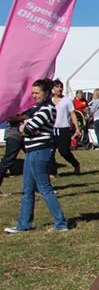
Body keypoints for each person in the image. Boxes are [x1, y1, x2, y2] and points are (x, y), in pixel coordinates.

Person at [4, 79, 69, 233]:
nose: (34, 96)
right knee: (27, 190)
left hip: (40, 151)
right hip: (32, 151)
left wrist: (25, 126)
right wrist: (27, 126)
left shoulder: (47, 109)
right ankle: (23, 224)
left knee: (45, 188)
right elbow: (29, 128)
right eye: (32, 93)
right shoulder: (38, 109)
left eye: (36, 93)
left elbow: (27, 129)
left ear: (46, 93)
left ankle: (61, 223)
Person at [49, 80, 81, 175]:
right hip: (51, 129)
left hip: (63, 129)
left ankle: (75, 164)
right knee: (50, 152)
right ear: (53, 88)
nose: (59, 89)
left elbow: (72, 114)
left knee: (64, 151)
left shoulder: (67, 100)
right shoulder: (49, 101)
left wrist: (77, 128)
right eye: (57, 87)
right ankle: (52, 171)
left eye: (61, 87)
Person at [0, 114, 26, 194]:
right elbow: (9, 118)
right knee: (7, 161)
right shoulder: (13, 105)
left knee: (33, 160)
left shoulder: (28, 104)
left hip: (27, 135)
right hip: (13, 136)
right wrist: (24, 117)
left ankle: (40, 187)